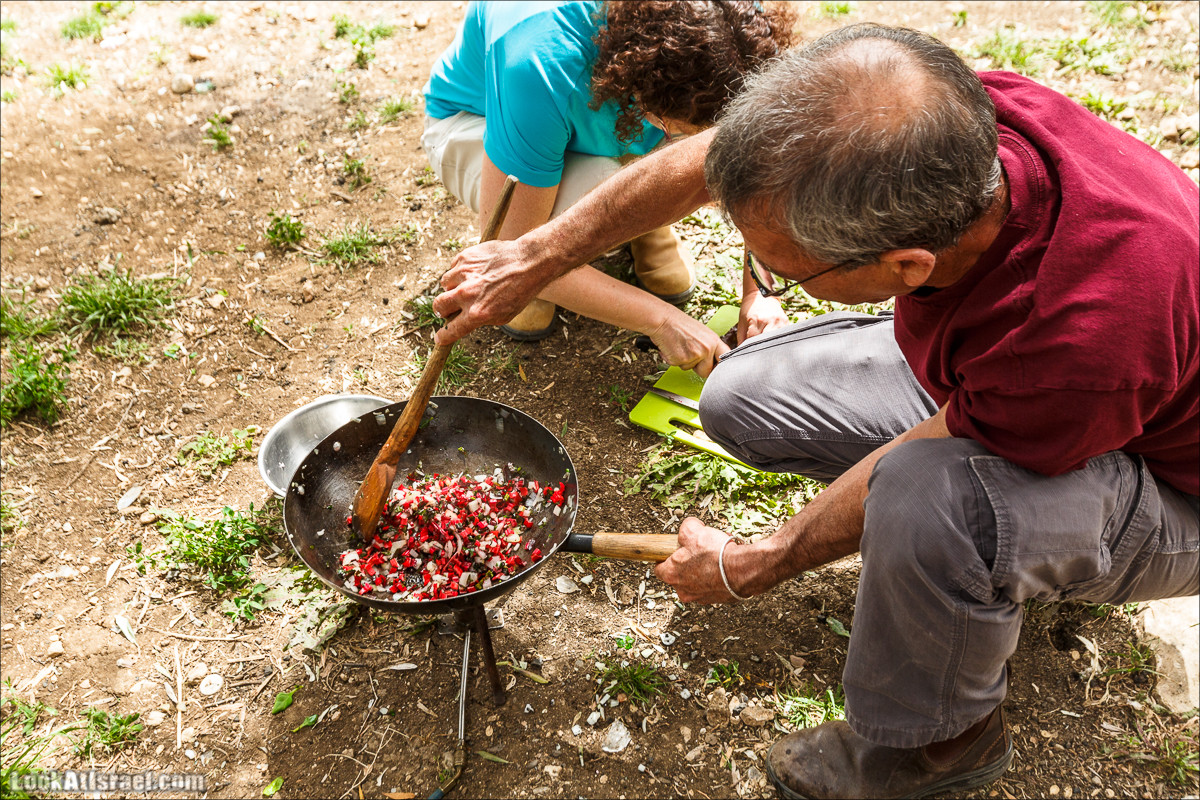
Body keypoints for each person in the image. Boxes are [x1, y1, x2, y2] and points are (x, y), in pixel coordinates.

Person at [433, 22, 1200, 800]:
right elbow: (712, 162)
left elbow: (925, 453)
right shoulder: (943, 122)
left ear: (906, 265)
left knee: (930, 500)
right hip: (1035, 392)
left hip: (1173, 489)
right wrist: (537, 254)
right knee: (740, 395)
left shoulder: (1074, 342)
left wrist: (757, 562)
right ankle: (986, 545)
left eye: (783, 270)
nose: (766, 274)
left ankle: (944, 743)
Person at [420, 0, 792, 373]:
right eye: (676, 127)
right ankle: (560, 268)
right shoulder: (539, 63)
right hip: (476, 121)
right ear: (645, 91)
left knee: (698, 156)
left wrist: (760, 291)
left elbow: (754, 161)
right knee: (590, 195)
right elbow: (512, 250)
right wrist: (662, 320)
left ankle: (644, 224)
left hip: (588, 117)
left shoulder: (729, 27)